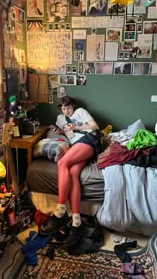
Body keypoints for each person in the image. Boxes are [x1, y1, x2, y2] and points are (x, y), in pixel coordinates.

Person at [39, 96, 103, 246]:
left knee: (62, 162)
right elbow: (63, 133)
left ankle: (60, 210)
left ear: (73, 106)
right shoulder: (60, 118)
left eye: (68, 108)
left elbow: (95, 126)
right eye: (63, 108)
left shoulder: (80, 112)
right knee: (73, 172)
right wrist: (59, 131)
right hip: (76, 145)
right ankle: (76, 222)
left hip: (90, 139)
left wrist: (76, 127)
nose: (66, 111)